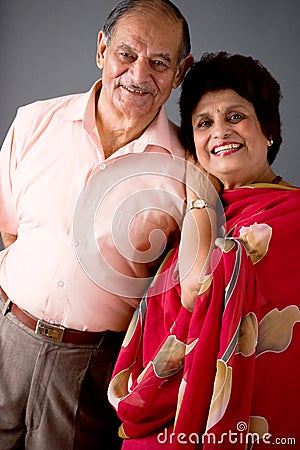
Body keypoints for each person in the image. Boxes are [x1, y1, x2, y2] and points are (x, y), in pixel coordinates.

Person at [0, 1, 194, 449]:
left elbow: (174, 295)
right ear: (102, 49)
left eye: (159, 62)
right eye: (127, 54)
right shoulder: (33, 122)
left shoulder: (187, 173)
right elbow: (9, 230)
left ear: (180, 73)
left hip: (91, 366)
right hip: (8, 336)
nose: (139, 74)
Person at [108, 52, 300, 449]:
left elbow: (199, 287)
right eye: (204, 123)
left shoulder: (292, 217)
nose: (219, 133)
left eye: (235, 117)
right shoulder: (188, 219)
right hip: (166, 419)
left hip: (260, 418)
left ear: (267, 130)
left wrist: (198, 191)